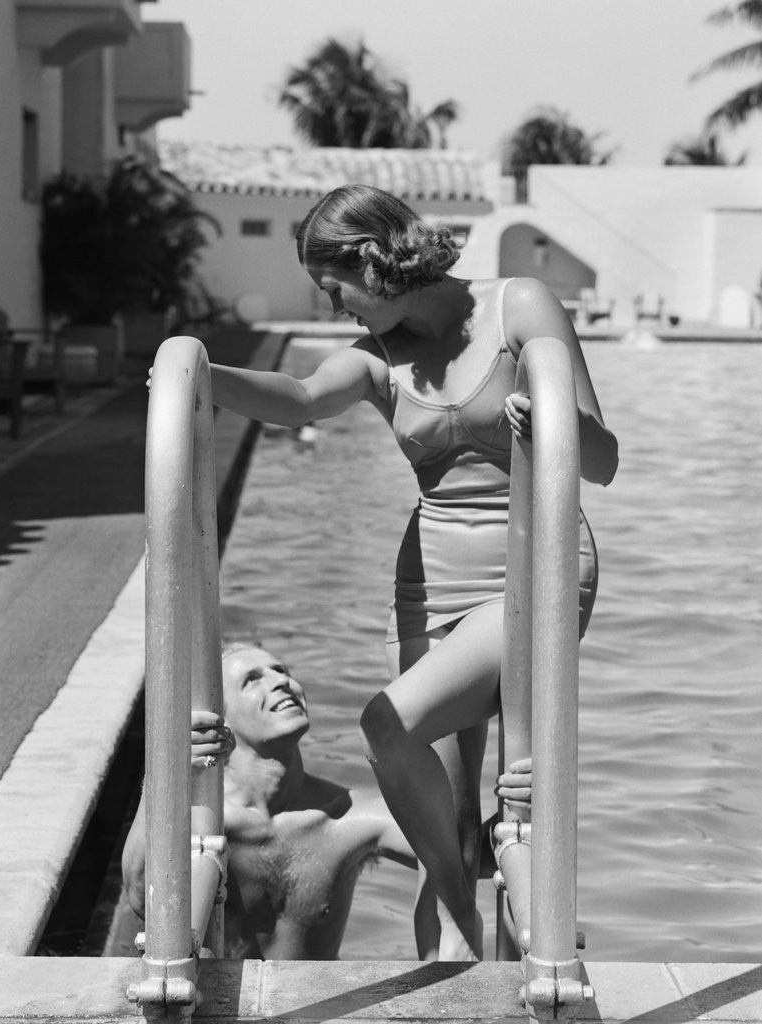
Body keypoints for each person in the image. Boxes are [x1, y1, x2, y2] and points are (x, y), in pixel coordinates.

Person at [159, 184, 618, 960]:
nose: (334, 307)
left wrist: (551, 421)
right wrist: (195, 377)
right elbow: (301, 399)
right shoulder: (378, 361)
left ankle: (461, 895)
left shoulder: (520, 306)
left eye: (333, 288)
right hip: (425, 585)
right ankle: (454, 943)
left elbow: (601, 461)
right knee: (435, 801)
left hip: (535, 568)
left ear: (372, 261)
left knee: (385, 725)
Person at [121, 642, 527, 959]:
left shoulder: (346, 816)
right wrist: (165, 778)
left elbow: (470, 858)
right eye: (253, 679)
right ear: (220, 718)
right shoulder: (205, 820)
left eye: (282, 671)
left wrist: (524, 805)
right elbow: (142, 897)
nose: (280, 682)